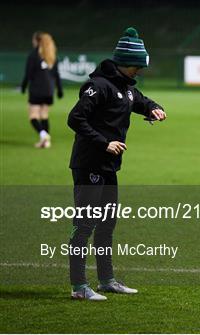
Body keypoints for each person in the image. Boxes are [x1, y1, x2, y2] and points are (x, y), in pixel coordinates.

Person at [67, 27, 166, 301]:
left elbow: (140, 101)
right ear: (126, 62)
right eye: (137, 66)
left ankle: (106, 280)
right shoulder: (98, 86)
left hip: (109, 167)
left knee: (107, 223)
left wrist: (153, 108)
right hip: (90, 164)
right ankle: (78, 286)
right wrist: (104, 142)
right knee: (85, 224)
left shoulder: (125, 88)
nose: (140, 71)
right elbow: (75, 119)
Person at [21, 31, 63, 148]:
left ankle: (43, 135)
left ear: (37, 41)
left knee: (33, 116)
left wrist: (23, 87)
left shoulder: (33, 55)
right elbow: (57, 75)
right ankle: (46, 142)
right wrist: (59, 90)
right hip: (49, 91)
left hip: (36, 90)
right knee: (44, 115)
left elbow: (28, 74)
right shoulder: (52, 55)